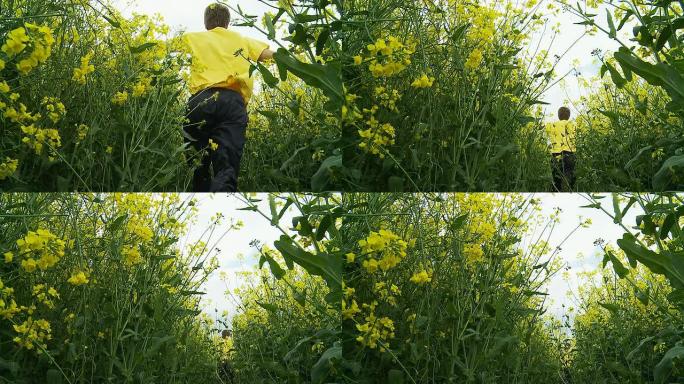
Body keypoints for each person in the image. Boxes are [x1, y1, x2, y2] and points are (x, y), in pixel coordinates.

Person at [182, 3, 274, 192]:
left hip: (200, 101)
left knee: (198, 165)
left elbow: (161, 48)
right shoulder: (242, 40)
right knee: (227, 169)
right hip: (231, 103)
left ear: (206, 23)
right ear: (228, 22)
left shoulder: (193, 38)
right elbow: (268, 55)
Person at [545, 106, 576, 192]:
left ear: (558, 115)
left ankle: (556, 192)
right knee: (570, 177)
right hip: (570, 153)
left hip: (556, 154)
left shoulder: (553, 124)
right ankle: (570, 191)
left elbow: (542, 127)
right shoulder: (572, 124)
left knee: (556, 178)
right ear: (569, 116)